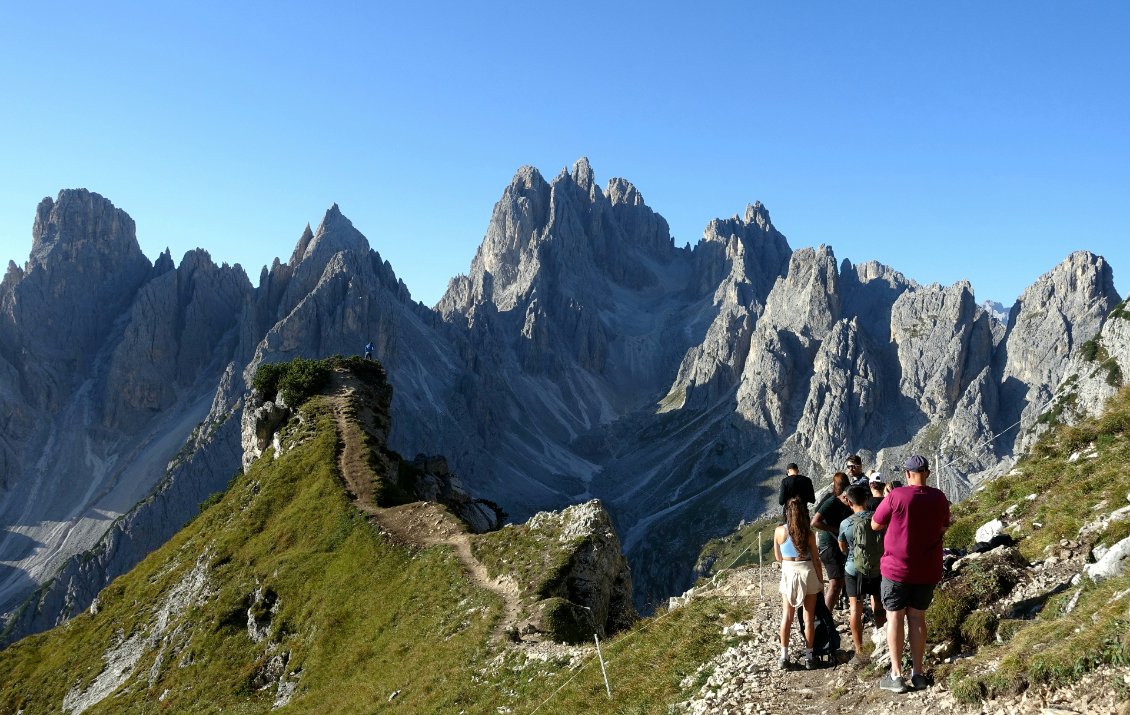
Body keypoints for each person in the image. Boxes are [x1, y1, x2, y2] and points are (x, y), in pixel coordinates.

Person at [871, 455, 951, 694]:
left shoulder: (896, 496)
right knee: (917, 617)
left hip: (896, 569)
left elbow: (875, 524)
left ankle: (896, 675)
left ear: (907, 474)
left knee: (894, 617)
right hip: (927, 569)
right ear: (927, 473)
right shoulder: (939, 497)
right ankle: (918, 673)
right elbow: (945, 525)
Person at [774, 498, 825, 671]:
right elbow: (817, 560)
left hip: (789, 571)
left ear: (787, 512)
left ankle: (784, 656)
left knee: (787, 616)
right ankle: (809, 657)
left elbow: (778, 557)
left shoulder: (779, 531)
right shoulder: (808, 534)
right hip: (807, 571)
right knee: (808, 618)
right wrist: (820, 580)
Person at [838, 485, 885, 665]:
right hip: (878, 568)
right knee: (879, 607)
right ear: (866, 499)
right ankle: (882, 641)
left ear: (849, 502)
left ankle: (859, 650)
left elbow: (842, 547)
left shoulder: (846, 523)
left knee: (855, 609)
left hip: (854, 570)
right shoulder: (877, 518)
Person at [812, 471, 852, 611]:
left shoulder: (834, 498)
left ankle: (827, 615)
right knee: (836, 582)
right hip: (829, 544)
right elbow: (815, 522)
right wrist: (836, 529)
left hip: (836, 544)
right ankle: (825, 618)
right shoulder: (832, 501)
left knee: (839, 581)